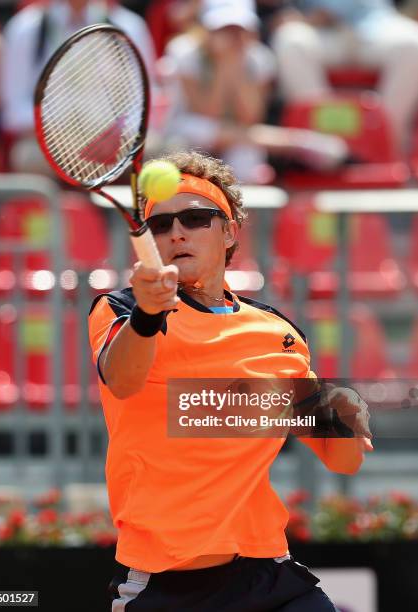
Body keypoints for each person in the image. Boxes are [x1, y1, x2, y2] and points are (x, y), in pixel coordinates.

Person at [88, 149, 373, 611]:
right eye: (160, 225)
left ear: (229, 232)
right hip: (164, 584)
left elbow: (343, 461)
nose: (177, 232)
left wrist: (342, 414)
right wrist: (147, 314)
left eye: (196, 218)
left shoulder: (277, 333)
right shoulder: (121, 311)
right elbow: (122, 380)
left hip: (266, 574)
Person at [160, 0, 348, 183]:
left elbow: (250, 116)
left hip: (240, 134)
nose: (232, 36)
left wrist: (235, 65)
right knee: (202, 128)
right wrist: (224, 64)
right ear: (206, 29)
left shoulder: (258, 58)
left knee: (246, 157)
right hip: (185, 135)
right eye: (223, 28)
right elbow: (209, 112)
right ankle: (296, 143)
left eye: (238, 29)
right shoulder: (183, 52)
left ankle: (240, 212)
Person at [0, 0, 156, 173]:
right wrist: (60, 136)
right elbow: (12, 111)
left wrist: (117, 135)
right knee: (27, 157)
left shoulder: (131, 26)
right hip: (49, 147)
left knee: (158, 152)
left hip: (117, 145)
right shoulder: (24, 28)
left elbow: (142, 102)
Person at [271, 0, 418, 151]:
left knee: (414, 44)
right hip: (320, 30)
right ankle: (323, 145)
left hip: (376, 26)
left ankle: (385, 142)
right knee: (290, 39)